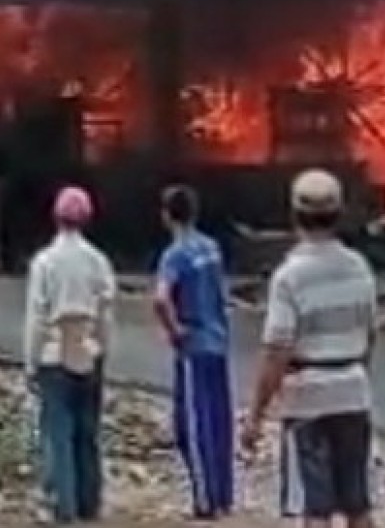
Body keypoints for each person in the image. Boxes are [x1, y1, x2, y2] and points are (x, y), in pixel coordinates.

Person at [240, 169, 379, 528]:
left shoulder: (290, 276)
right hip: (353, 391)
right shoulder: (359, 268)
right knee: (357, 503)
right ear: (339, 213)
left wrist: (256, 414)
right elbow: (370, 336)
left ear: (295, 215)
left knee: (314, 508)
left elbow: (277, 348)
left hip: (306, 399)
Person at [24, 186, 116, 524]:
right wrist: (103, 350)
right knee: (88, 432)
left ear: (55, 218)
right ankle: (90, 502)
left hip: (53, 355)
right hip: (89, 353)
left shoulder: (44, 262)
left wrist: (30, 361)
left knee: (58, 432)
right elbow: (106, 312)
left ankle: (64, 505)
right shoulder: (99, 262)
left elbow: (36, 317)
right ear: (87, 218)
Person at [152, 184, 234, 520]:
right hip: (218, 340)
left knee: (193, 424)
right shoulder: (212, 248)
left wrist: (174, 329)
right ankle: (224, 493)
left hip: (194, 345)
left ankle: (204, 499)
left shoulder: (175, 254)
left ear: (167, 215)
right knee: (219, 420)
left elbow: (160, 297)